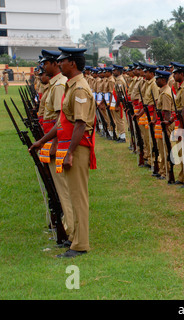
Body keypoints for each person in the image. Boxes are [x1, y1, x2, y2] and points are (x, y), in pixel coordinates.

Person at [30, 47, 97, 257]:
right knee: (72, 195)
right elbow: (62, 122)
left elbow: (80, 124)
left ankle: (80, 245)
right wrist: (41, 141)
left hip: (76, 148)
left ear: (73, 64)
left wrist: (69, 153)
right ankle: (75, 240)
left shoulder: (79, 89)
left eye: (63, 61)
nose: (59, 64)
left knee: (77, 197)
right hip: (70, 146)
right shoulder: (71, 86)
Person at [39, 49, 74, 244]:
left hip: (59, 141)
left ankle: (69, 229)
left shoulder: (59, 85)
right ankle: (66, 225)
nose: (43, 67)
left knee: (63, 189)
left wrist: (52, 143)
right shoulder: (55, 85)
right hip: (54, 139)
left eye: (45, 63)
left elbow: (61, 120)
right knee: (59, 188)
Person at [111, 64, 128, 143]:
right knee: (117, 120)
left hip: (120, 103)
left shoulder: (120, 80)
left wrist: (117, 105)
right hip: (117, 102)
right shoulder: (117, 79)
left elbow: (120, 94)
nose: (113, 72)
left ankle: (123, 136)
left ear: (118, 71)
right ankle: (120, 135)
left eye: (114, 70)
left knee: (120, 119)